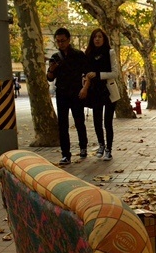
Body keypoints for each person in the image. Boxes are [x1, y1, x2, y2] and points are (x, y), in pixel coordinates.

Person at [47, 27, 88, 166]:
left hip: (76, 92)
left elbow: (86, 73)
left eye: (63, 40)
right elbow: (50, 78)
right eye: (58, 41)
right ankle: (65, 154)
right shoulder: (54, 57)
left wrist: (85, 89)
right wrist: (51, 70)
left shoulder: (78, 55)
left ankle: (83, 147)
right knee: (62, 124)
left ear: (69, 40)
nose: (61, 43)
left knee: (79, 121)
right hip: (61, 93)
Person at [79, 28, 120, 161]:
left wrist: (98, 75)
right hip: (94, 91)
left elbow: (115, 73)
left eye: (100, 37)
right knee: (97, 121)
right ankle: (101, 145)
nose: (97, 39)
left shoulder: (110, 52)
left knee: (108, 122)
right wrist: (85, 78)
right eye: (95, 37)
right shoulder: (88, 54)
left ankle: (109, 149)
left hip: (108, 91)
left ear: (104, 39)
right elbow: (85, 72)